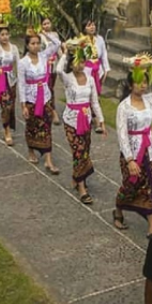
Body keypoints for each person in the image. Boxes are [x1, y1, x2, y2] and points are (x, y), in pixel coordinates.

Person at [113, 54, 152, 238]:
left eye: (145, 82)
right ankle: (119, 210)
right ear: (131, 84)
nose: (143, 86)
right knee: (130, 185)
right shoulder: (124, 107)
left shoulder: (150, 99)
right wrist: (130, 159)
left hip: (150, 150)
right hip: (132, 152)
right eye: (140, 82)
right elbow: (122, 134)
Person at [56, 37, 105, 204]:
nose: (81, 65)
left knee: (85, 151)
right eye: (78, 62)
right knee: (79, 151)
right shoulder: (68, 77)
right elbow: (58, 70)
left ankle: (77, 177)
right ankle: (82, 187)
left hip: (86, 119)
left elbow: (94, 102)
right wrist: (66, 52)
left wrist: (101, 120)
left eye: (83, 62)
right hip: (71, 120)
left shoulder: (90, 78)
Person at [18, 30, 59, 174]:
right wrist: (23, 105)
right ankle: (31, 150)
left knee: (47, 127)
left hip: (45, 96)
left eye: (38, 43)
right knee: (32, 126)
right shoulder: (23, 62)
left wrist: (44, 34)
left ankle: (48, 160)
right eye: (33, 43)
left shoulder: (43, 56)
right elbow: (22, 84)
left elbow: (57, 44)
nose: (36, 46)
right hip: (31, 97)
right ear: (27, 45)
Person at [0, 24, 20, 147]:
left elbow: (18, 64)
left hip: (11, 79)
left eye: (6, 34)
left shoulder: (14, 48)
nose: (5, 37)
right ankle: (6, 131)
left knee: (11, 105)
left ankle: (10, 125)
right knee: (5, 105)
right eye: (2, 34)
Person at [39, 17, 62, 125]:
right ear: (41, 26)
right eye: (44, 24)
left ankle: (51, 110)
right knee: (44, 88)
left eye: (48, 23)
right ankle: (49, 110)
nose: (47, 25)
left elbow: (59, 50)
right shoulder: (39, 37)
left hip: (53, 66)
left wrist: (63, 61)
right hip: (43, 66)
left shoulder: (55, 35)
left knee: (51, 88)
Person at [83, 19, 110, 102]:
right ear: (84, 28)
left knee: (96, 96)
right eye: (89, 25)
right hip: (86, 71)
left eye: (93, 25)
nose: (92, 27)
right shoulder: (81, 41)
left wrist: (106, 69)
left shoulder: (100, 39)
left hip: (98, 70)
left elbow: (104, 55)